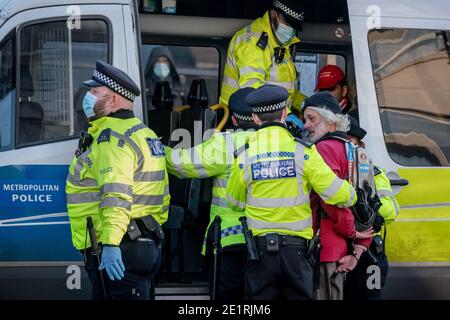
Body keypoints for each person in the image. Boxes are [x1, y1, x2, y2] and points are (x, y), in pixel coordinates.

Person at [226, 85, 357, 300]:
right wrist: (351, 194)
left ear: (256, 118)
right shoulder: (303, 151)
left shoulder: (244, 156)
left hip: (259, 254)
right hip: (297, 254)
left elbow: (234, 202)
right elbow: (336, 194)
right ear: (285, 114)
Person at [66, 60, 170, 300]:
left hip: (121, 247)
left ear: (113, 100)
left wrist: (111, 244)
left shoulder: (112, 138)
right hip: (144, 241)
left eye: (94, 92)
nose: (88, 97)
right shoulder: (145, 133)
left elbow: (116, 194)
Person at [164, 88, 258, 300]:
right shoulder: (282, 143)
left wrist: (156, 149)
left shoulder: (225, 143)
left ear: (233, 119)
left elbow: (182, 164)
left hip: (230, 240)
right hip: (270, 242)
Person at [302, 91, 373, 300]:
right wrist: (358, 246)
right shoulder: (353, 148)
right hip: (343, 250)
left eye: (311, 119)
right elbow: (368, 202)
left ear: (330, 121)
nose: (306, 125)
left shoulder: (323, 149)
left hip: (323, 248)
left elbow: (330, 200)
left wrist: (350, 231)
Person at [220, 0, 307, 129]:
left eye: (294, 26)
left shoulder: (280, 44)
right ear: (273, 15)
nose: (290, 30)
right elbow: (252, 89)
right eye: (287, 23)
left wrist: (306, 104)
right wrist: (285, 114)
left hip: (270, 117)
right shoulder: (254, 42)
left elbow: (286, 90)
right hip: (244, 120)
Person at [344, 116, 399, 300]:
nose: (346, 148)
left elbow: (390, 211)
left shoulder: (373, 171)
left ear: (359, 145)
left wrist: (367, 210)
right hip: (338, 250)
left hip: (368, 254)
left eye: (350, 142)